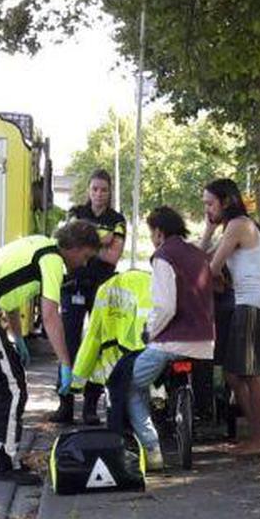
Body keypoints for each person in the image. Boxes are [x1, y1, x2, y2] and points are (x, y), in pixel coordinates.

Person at [0, 220, 101, 484]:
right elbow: (51, 315)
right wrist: (66, 364)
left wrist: (17, 337)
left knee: (9, 379)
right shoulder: (53, 260)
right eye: (86, 256)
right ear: (74, 247)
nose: (85, 263)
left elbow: (11, 294)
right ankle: (3, 463)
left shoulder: (41, 245)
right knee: (12, 385)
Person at [112, 206, 215, 469]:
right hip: (204, 344)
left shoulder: (163, 257)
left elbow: (165, 307)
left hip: (171, 343)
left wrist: (149, 332)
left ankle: (152, 448)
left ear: (158, 232)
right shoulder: (198, 255)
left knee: (130, 385)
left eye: (151, 232)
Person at [202, 178, 260, 455]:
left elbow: (210, 268)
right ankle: (255, 435)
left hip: (254, 304)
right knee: (234, 374)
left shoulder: (239, 225)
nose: (207, 210)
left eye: (210, 204)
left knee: (251, 373)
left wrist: (213, 272)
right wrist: (208, 231)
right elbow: (203, 259)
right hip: (245, 303)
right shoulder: (230, 228)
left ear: (226, 201)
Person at [53, 169, 128, 425]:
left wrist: (88, 240)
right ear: (88, 190)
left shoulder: (117, 219)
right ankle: (64, 404)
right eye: (94, 189)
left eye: (104, 190)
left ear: (109, 192)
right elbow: (67, 244)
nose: (99, 194)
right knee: (68, 343)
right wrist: (101, 240)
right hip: (73, 284)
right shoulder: (75, 212)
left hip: (102, 288)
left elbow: (112, 256)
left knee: (98, 345)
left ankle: (90, 408)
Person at [70, 266, 150, 418]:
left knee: (116, 405)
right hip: (141, 353)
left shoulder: (105, 289)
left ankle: (91, 411)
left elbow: (93, 336)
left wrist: (77, 381)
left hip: (111, 356)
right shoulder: (150, 284)